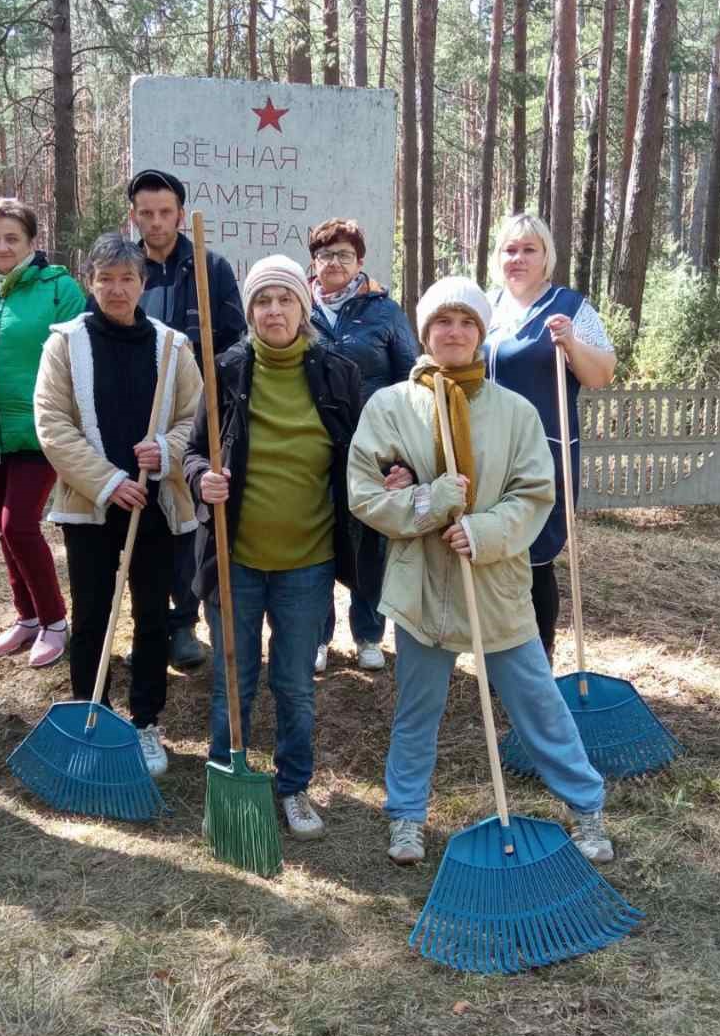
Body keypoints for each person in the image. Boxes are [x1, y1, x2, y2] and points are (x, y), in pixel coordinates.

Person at [347, 276, 614, 867]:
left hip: (496, 584)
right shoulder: (390, 407)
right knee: (418, 710)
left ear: (481, 333)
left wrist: (482, 531)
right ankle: (407, 818)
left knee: (537, 701)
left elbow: (533, 493)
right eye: (444, 321)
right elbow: (366, 493)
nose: (455, 332)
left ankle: (586, 807)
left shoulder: (513, 412)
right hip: (422, 589)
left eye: (468, 322)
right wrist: (430, 503)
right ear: (425, 332)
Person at [184, 255, 361, 840]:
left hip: (307, 564)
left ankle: (293, 786)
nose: (274, 310)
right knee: (233, 680)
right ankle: (224, 784)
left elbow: (364, 452)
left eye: (285, 299)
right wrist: (200, 478)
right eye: (263, 301)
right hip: (236, 561)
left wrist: (394, 475)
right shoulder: (228, 370)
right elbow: (192, 453)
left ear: (303, 308)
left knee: (294, 684)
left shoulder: (336, 372)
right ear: (251, 311)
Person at [34, 233, 202, 776]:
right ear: (91, 282)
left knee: (154, 616)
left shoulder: (173, 347)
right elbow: (53, 426)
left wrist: (167, 451)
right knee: (91, 617)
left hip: (154, 506)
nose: (116, 288)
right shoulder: (65, 343)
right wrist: (108, 482)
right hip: (92, 508)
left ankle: (147, 720)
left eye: (127, 278)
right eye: (105, 278)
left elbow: (192, 419)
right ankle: (92, 716)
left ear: (142, 283)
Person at [484, 213, 616, 661]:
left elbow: (602, 375)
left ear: (546, 257)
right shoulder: (486, 307)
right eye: (509, 249)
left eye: (528, 249)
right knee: (492, 551)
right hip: (487, 452)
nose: (517, 258)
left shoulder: (572, 307)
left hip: (545, 452)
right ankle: (499, 651)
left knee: (536, 557)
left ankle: (538, 656)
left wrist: (572, 345)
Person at [128, 168, 246, 671]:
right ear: (133, 215)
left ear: (180, 213)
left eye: (166, 213)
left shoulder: (208, 268)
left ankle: (183, 623)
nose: (157, 223)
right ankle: (145, 623)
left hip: (194, 414)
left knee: (185, 519)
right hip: (135, 411)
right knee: (141, 516)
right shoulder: (124, 267)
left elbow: (236, 338)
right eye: (147, 213)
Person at [0, 198, 85, 668]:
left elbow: (80, 352)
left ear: (33, 241)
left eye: (12, 238)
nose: (2, 247)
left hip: (39, 430)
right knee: (3, 528)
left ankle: (55, 619)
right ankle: (27, 617)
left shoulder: (58, 288)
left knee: (20, 524)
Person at [307, 217, 418, 673]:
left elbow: (410, 380)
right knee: (315, 542)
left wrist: (405, 452)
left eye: (344, 255)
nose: (334, 263)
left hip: (371, 449)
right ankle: (317, 635)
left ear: (360, 262)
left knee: (368, 542)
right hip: (311, 450)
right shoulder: (300, 309)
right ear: (313, 262)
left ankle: (369, 632)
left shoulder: (384, 312)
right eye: (326, 254)